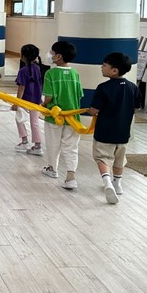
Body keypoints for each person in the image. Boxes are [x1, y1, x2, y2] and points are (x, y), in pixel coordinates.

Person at [86, 53, 140, 204]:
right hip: (123, 133)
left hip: (104, 132)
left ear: (114, 70)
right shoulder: (133, 87)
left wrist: (89, 110)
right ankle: (118, 184)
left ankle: (107, 183)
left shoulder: (103, 88)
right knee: (119, 159)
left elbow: (94, 110)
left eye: (104, 65)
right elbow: (136, 108)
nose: (101, 67)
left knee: (102, 157)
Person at [40, 41, 83, 190]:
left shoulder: (50, 74)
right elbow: (79, 95)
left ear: (58, 56)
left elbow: (49, 97)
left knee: (53, 144)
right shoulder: (75, 74)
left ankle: (52, 169)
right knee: (71, 147)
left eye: (52, 52)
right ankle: (71, 177)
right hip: (72, 117)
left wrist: (42, 105)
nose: (49, 55)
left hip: (54, 116)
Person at [12, 44, 44, 155]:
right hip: (36, 100)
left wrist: (17, 102)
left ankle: (24, 141)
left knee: (19, 118)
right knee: (35, 122)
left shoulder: (23, 71)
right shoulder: (38, 68)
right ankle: (38, 146)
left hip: (25, 100)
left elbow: (21, 87)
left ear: (23, 56)